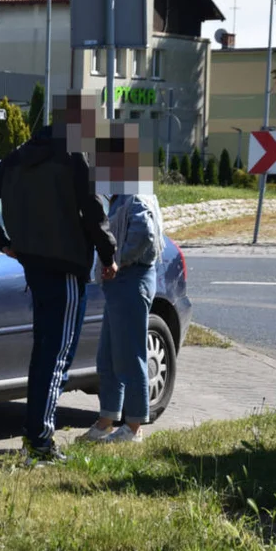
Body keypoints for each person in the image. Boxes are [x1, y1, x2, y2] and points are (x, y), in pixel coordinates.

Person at [0, 91, 118, 464]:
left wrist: (1, 243)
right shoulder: (74, 159)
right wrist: (109, 255)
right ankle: (40, 443)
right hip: (66, 267)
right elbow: (94, 212)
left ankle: (36, 436)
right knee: (58, 356)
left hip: (32, 265)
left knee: (44, 352)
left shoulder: (19, 155)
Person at [81, 121, 165, 444]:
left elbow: (144, 233)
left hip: (132, 280)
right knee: (109, 356)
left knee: (129, 355)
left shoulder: (135, 189)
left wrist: (118, 259)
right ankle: (106, 421)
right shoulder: (123, 189)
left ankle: (133, 428)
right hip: (120, 284)